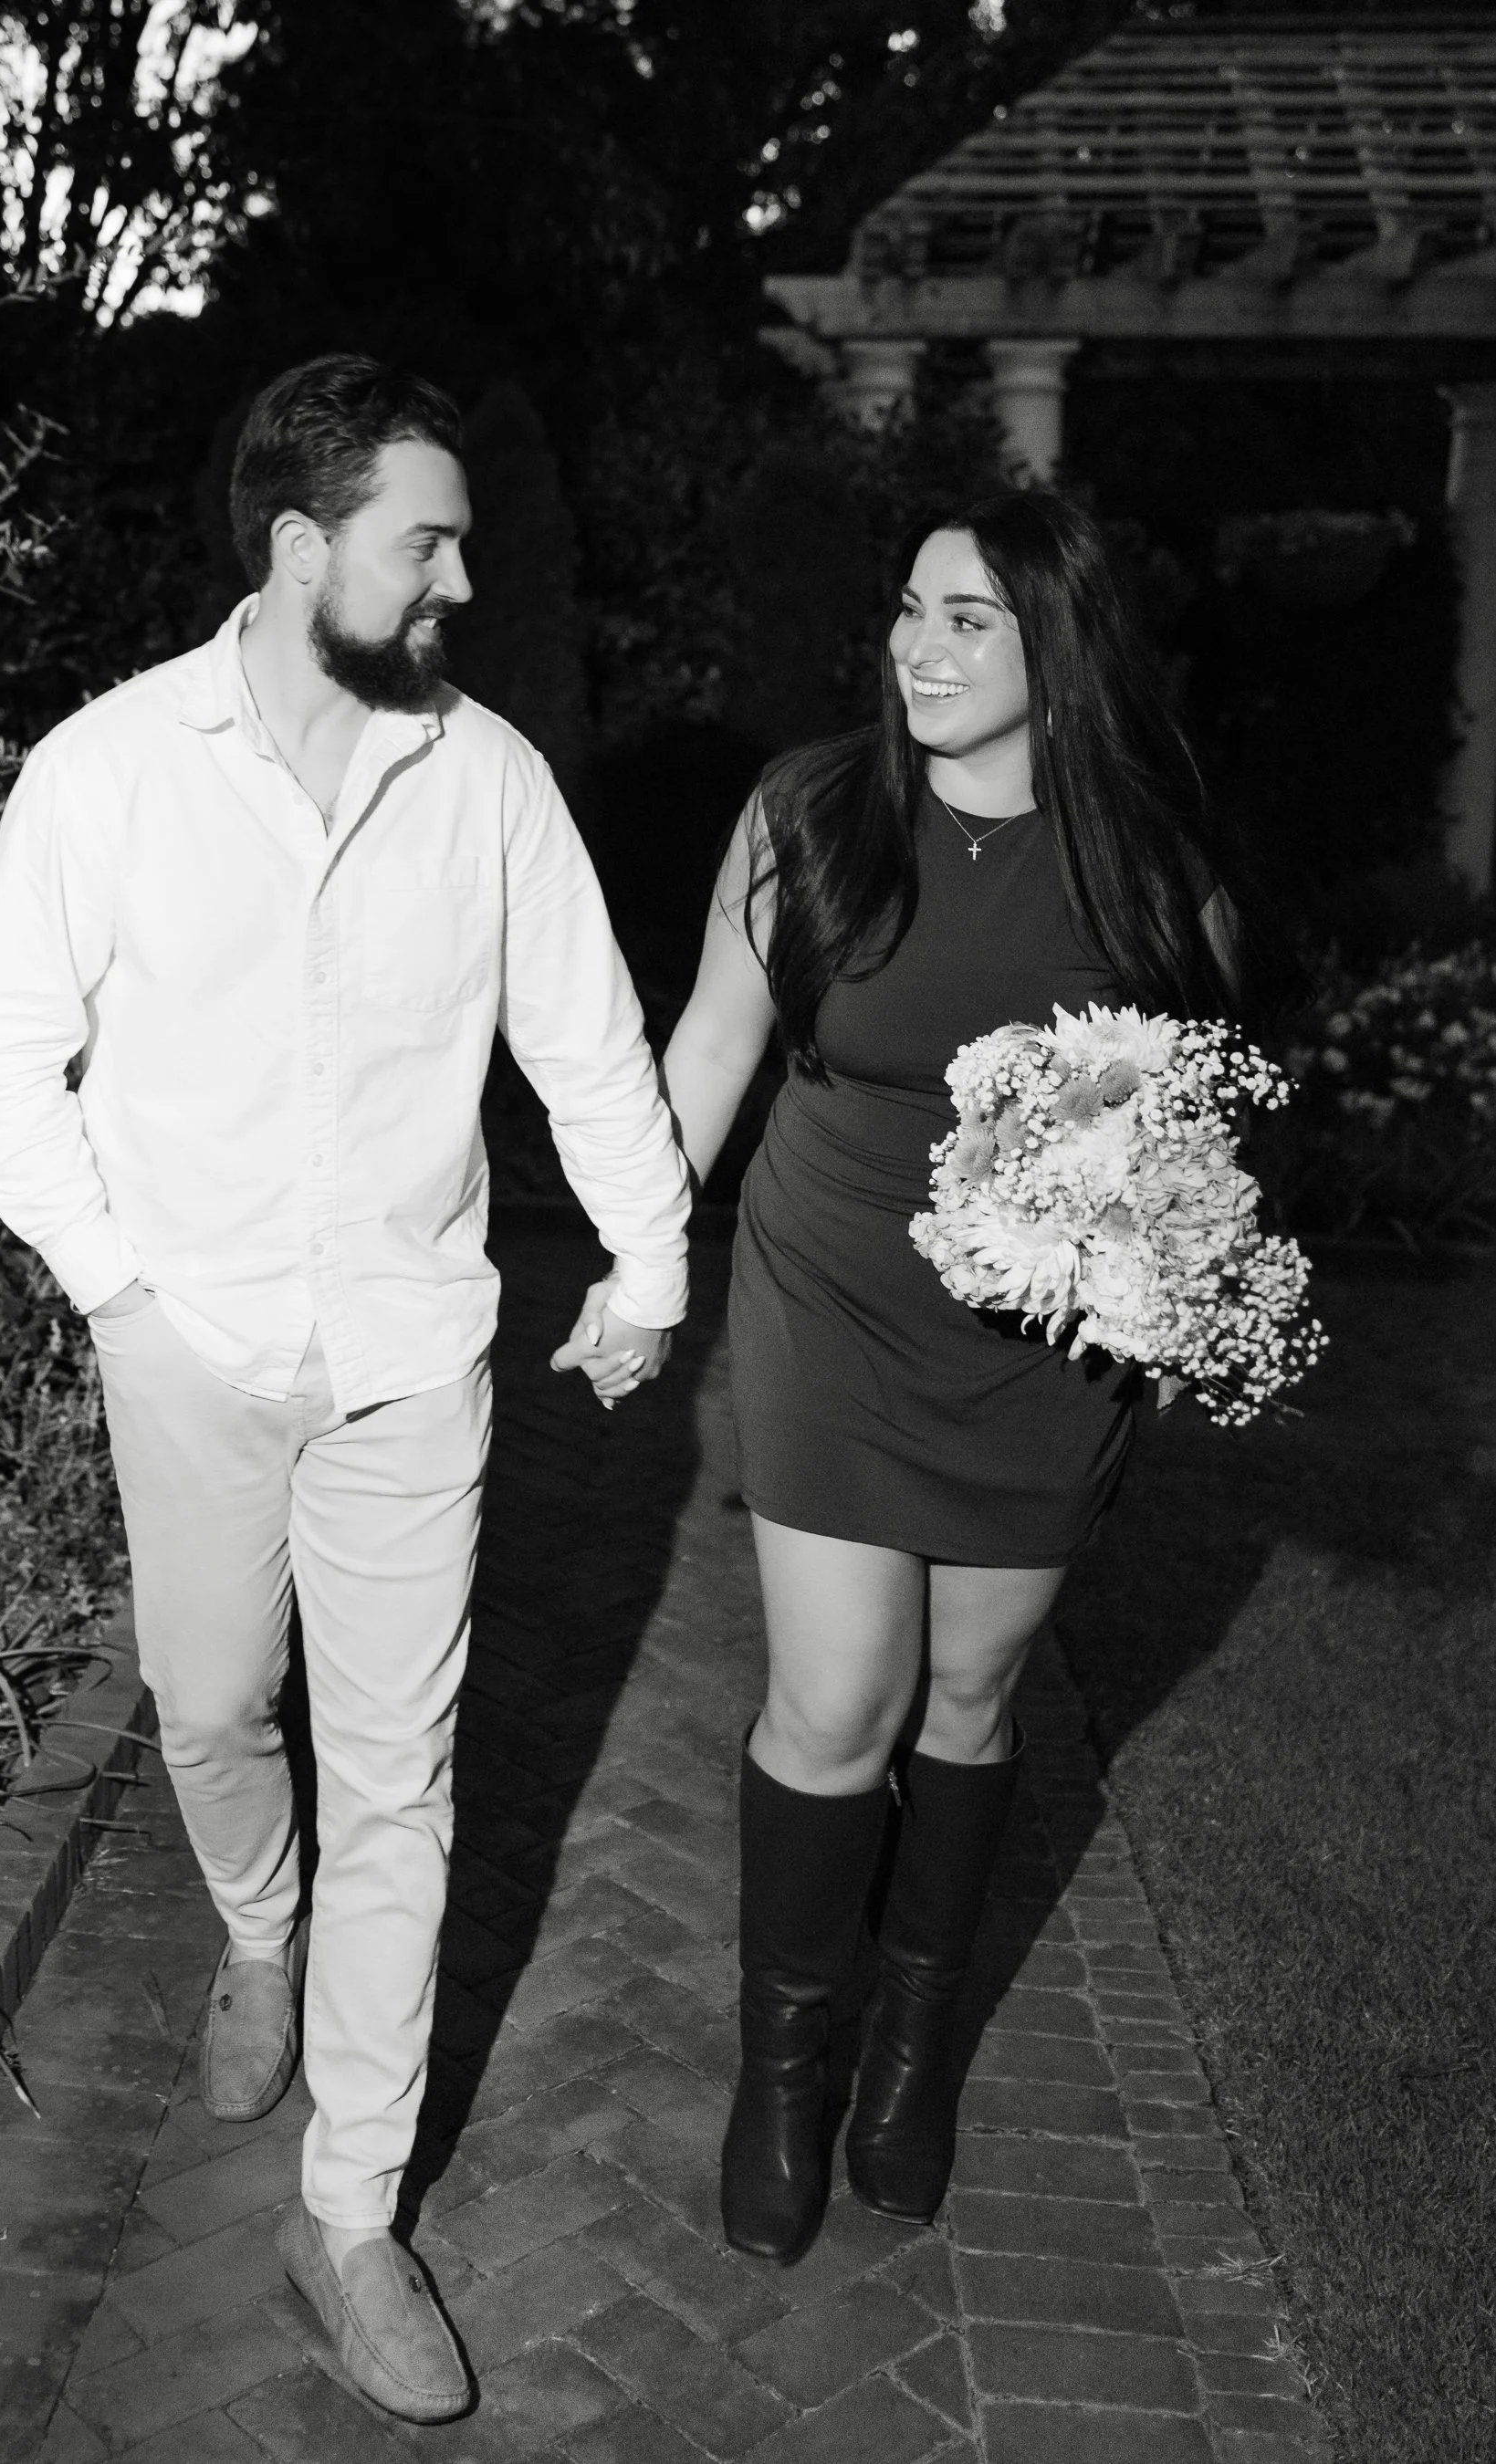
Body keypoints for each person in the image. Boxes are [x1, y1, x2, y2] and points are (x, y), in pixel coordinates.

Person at [0, 354, 684, 2418]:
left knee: (406, 1784)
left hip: (408, 1365)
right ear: (298, 552)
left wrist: (647, 1255)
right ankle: (252, 1927)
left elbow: (587, 1033)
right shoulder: (106, 773)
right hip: (186, 1346)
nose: (458, 576)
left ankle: (349, 2211)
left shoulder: (492, 779)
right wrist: (126, 1294)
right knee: (200, 1709)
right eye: (424, 539)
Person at [658, 490, 1238, 2264]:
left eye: (968, 619)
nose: (918, 645)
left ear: (1054, 649)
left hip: (1035, 1347)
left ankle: (915, 2044)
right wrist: (626, 1248)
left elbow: (1186, 1140)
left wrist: (1148, 1260)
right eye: (910, 608)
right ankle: (785, 2072)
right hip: (827, 1297)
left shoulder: (1151, 872)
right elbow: (711, 1046)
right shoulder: (811, 816)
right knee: (836, 1697)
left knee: (967, 1699)